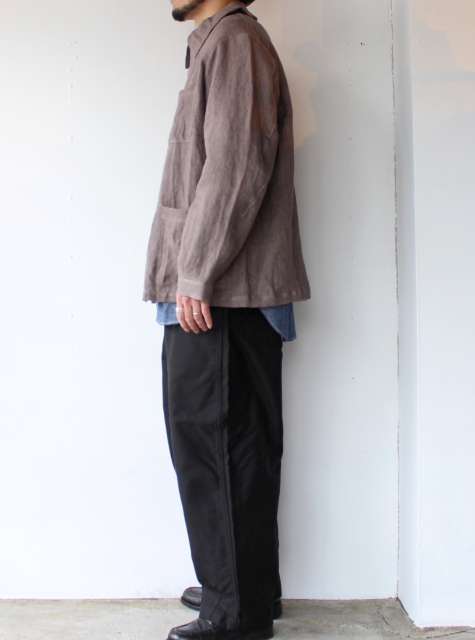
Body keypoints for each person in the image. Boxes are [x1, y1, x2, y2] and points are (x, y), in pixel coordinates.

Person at [143, 0, 310, 638]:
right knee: (237, 445)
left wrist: (196, 273)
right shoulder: (220, 44)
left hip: (220, 293)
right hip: (220, 288)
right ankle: (244, 589)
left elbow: (236, 166)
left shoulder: (235, 40)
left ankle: (235, 613)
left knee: (215, 444)